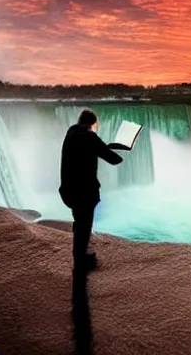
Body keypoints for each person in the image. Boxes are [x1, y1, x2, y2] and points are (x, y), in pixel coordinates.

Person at [59, 109, 123, 272]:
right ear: (92, 123)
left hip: (68, 189)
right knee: (84, 225)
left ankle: (79, 256)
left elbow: (85, 149)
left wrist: (100, 147)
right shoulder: (90, 137)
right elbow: (114, 159)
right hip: (85, 191)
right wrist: (119, 151)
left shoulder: (71, 133)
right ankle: (80, 262)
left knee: (79, 222)